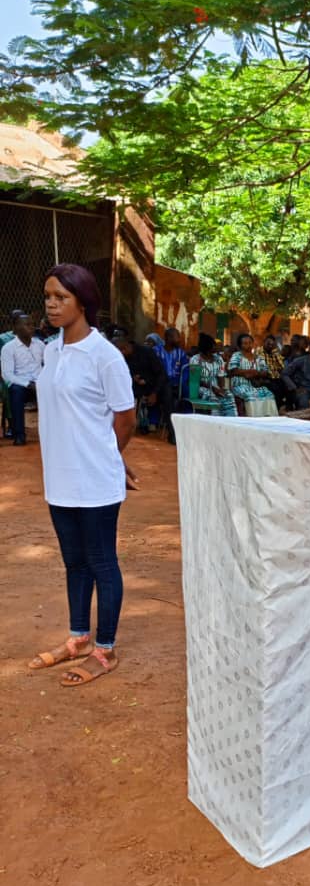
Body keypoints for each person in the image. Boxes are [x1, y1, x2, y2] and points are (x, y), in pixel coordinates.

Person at [28, 264, 136, 686]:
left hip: (94, 482)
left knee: (102, 563)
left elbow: (125, 418)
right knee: (74, 562)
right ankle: (79, 638)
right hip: (60, 479)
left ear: (83, 301)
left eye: (61, 297)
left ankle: (105, 648)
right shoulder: (51, 350)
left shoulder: (104, 356)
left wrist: (110, 458)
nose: (52, 304)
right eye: (48, 296)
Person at [113, 332, 173, 435]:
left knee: (168, 397)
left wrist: (154, 393)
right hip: (140, 385)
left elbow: (161, 374)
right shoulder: (123, 358)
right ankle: (130, 426)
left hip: (158, 384)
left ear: (125, 348)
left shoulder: (146, 352)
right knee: (122, 394)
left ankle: (172, 433)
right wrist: (133, 378)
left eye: (121, 351)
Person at [1, 311, 45, 445]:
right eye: (26, 325)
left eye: (32, 324)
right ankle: (19, 434)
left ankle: (52, 433)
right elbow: (7, 375)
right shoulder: (9, 348)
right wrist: (27, 384)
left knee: (54, 390)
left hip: (40, 383)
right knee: (16, 392)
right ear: (16, 329)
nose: (31, 327)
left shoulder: (40, 345)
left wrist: (42, 382)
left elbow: (48, 366)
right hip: (21, 385)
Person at [228, 333, 277, 415]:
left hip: (255, 385)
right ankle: (253, 418)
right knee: (250, 395)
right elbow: (232, 370)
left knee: (269, 394)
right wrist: (247, 372)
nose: (248, 345)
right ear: (240, 345)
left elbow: (266, 372)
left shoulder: (258, 357)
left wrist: (256, 373)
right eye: (245, 343)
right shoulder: (237, 356)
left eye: (250, 342)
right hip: (239, 385)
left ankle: (267, 418)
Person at [189, 333, 237, 416]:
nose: (216, 347)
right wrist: (213, 388)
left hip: (215, 387)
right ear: (207, 348)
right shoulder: (195, 360)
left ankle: (230, 420)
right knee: (212, 397)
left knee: (229, 396)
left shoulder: (218, 359)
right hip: (200, 387)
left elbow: (221, 376)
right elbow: (196, 380)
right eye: (213, 345)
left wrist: (221, 389)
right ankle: (215, 421)